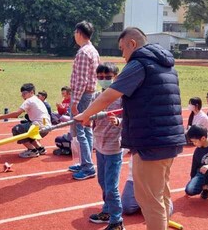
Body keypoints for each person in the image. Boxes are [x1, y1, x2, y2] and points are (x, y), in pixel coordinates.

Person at [75, 27, 186, 230]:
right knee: (161, 195)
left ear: (132, 44)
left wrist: (85, 114)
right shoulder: (166, 65)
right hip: (169, 139)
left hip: (150, 142)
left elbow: (110, 94)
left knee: (149, 201)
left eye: (122, 49)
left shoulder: (139, 63)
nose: (122, 55)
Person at [88, 62, 124, 230]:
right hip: (99, 145)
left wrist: (119, 121)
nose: (104, 80)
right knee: (102, 182)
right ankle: (107, 210)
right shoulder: (96, 97)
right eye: (100, 77)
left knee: (111, 186)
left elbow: (130, 119)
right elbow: (89, 116)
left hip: (113, 148)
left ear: (116, 77)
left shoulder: (122, 98)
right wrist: (87, 119)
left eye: (108, 78)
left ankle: (117, 221)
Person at [68, 21, 100, 180]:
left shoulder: (83, 53)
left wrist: (74, 103)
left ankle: (87, 167)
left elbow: (81, 80)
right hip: (90, 94)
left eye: (75, 32)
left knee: (80, 131)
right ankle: (85, 163)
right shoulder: (94, 51)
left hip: (82, 96)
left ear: (79, 33)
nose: (74, 35)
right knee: (86, 129)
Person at [0, 83, 50, 158]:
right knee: (27, 129)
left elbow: (16, 114)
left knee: (17, 129)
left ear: (32, 92)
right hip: (47, 127)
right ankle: (40, 148)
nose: (23, 96)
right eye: (22, 94)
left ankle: (32, 150)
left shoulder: (29, 100)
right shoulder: (37, 100)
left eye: (25, 93)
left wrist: (0, 117)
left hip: (39, 127)